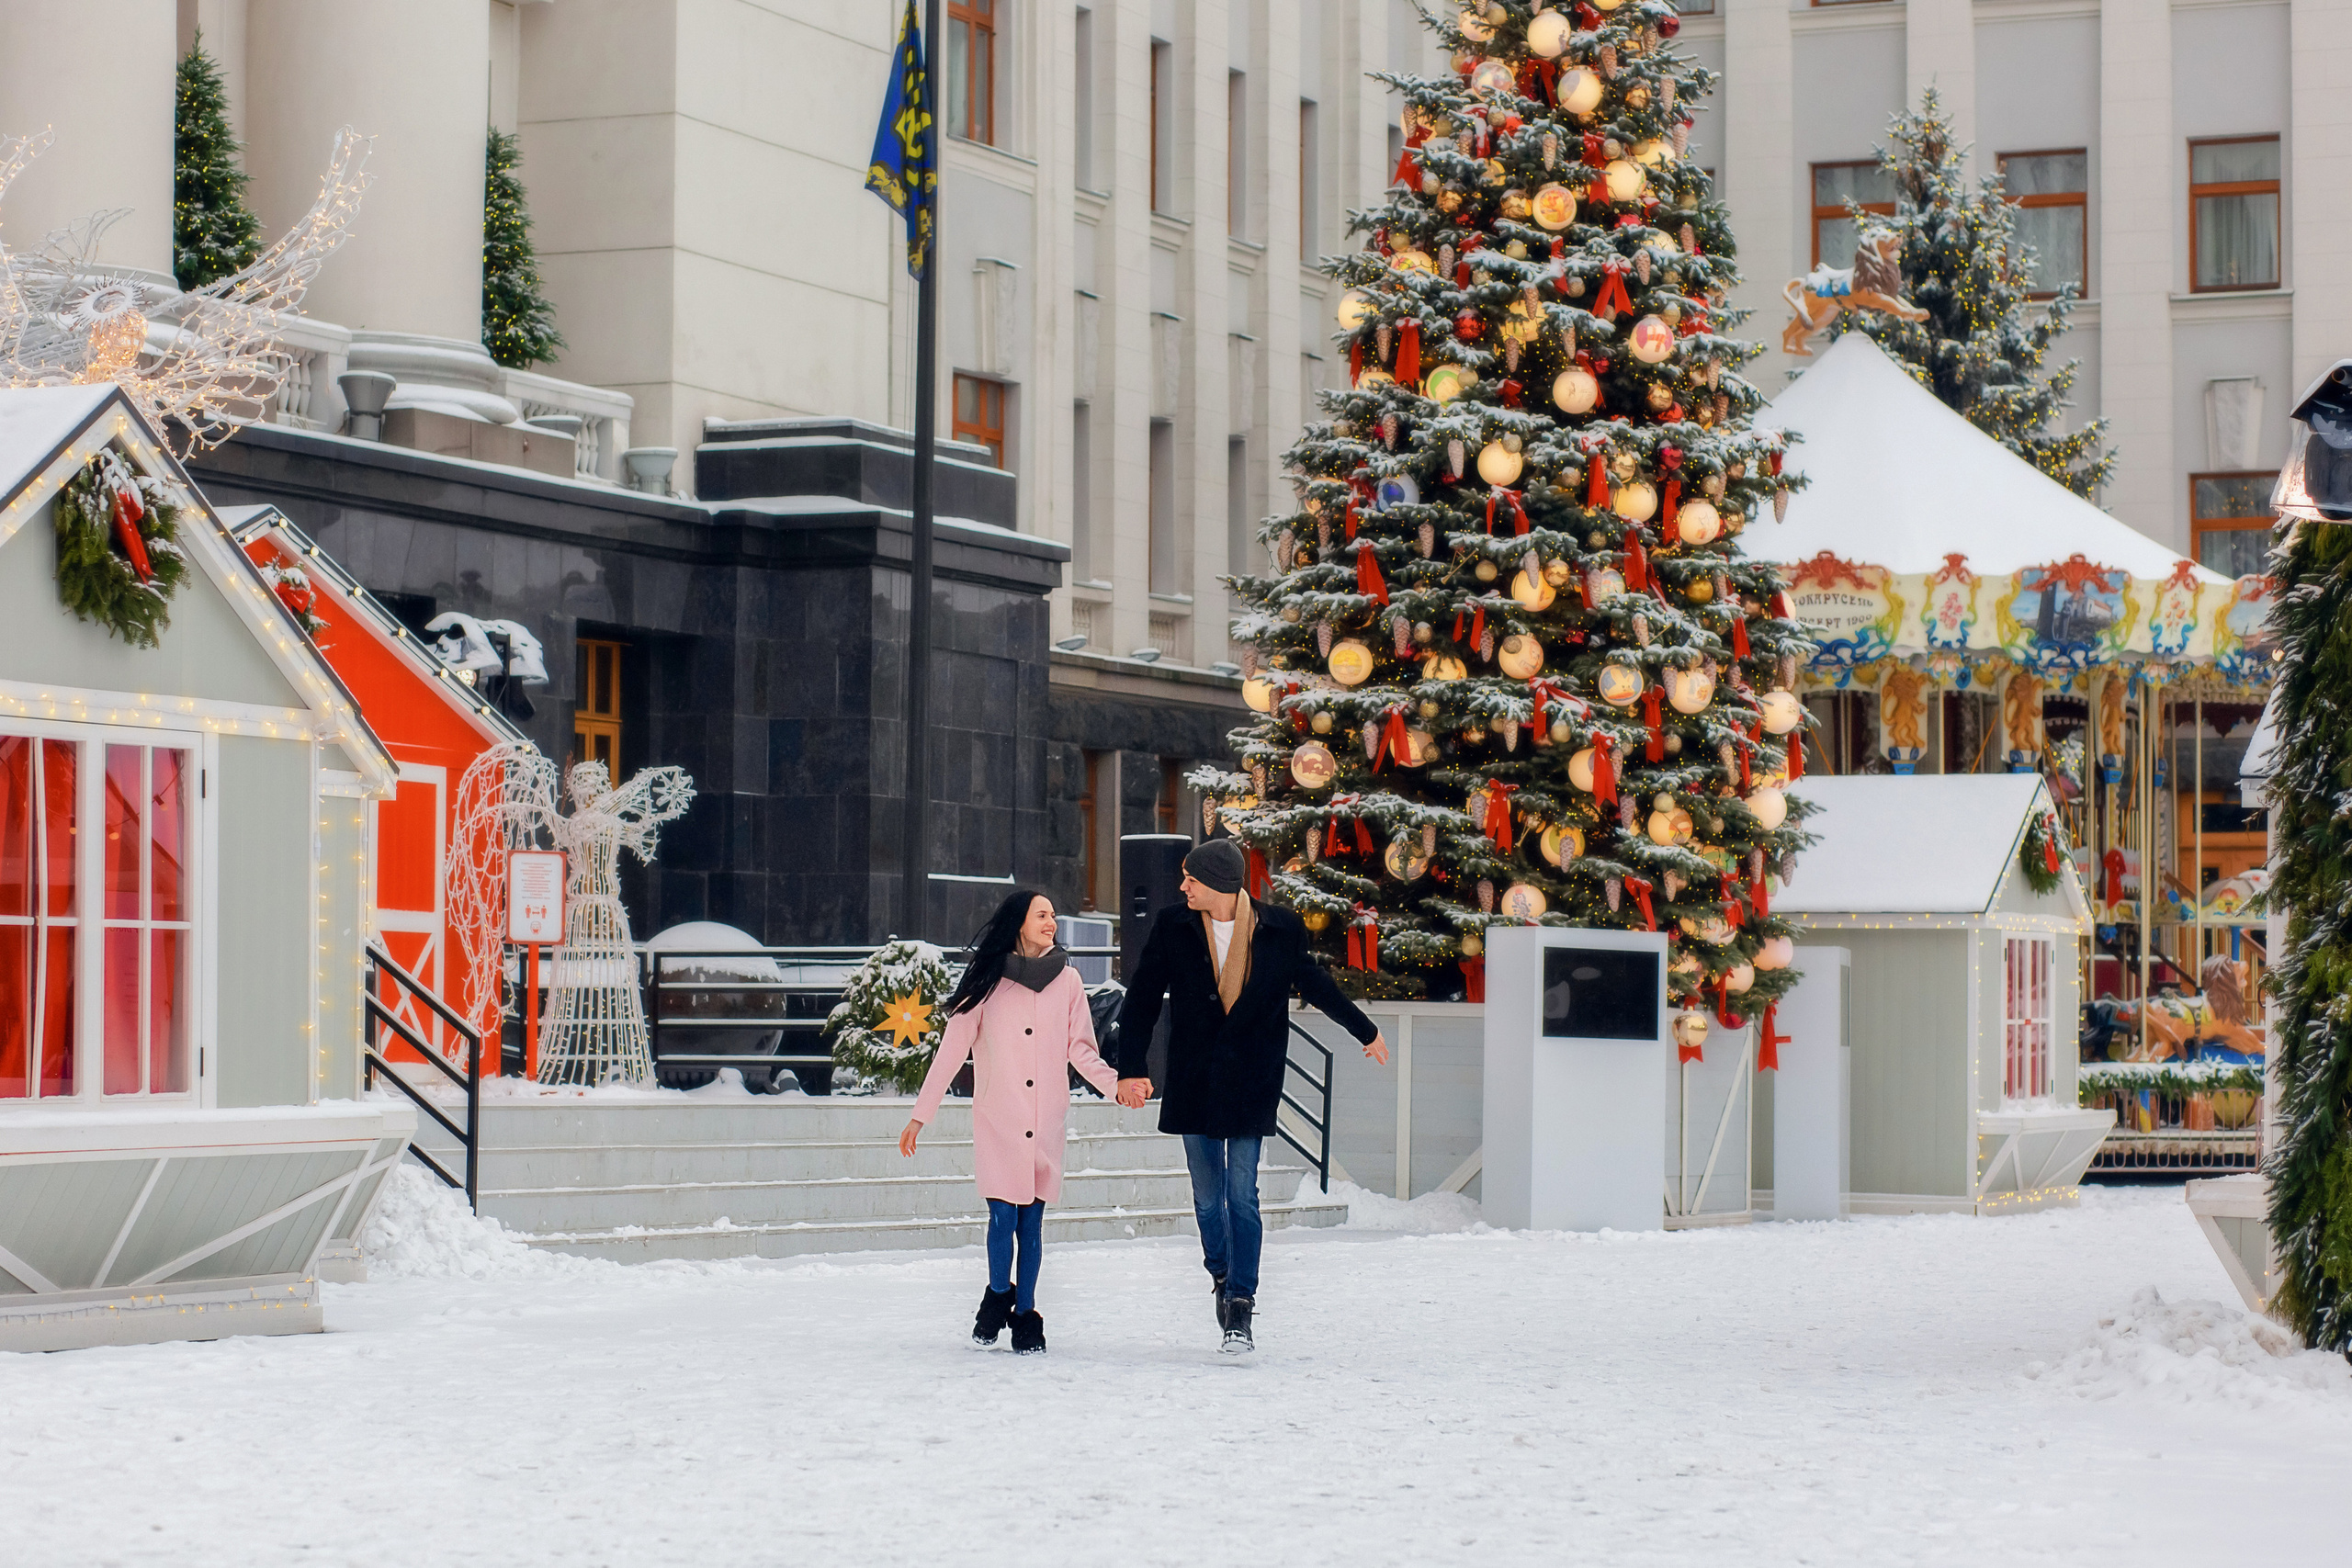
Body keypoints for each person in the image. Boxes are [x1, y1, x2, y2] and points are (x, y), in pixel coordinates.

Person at [1114, 839, 1387, 1353]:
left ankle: (1241, 1301)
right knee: (1206, 1198)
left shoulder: (1279, 928)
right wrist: (1130, 1070)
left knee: (1242, 1195)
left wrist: (1365, 1031)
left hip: (1250, 1078)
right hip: (1194, 1079)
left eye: (1191, 878)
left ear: (1217, 882)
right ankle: (1219, 1270)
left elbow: (1317, 985)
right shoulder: (1174, 925)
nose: (1182, 886)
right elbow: (1144, 1000)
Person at [901, 889, 1118, 1355]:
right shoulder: (986, 979)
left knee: (1032, 1224)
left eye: (1054, 916)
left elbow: (1081, 1049)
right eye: (1042, 915)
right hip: (999, 1118)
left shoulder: (1069, 980)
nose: (1052, 923)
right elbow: (951, 1050)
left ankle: (1026, 1315)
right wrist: (921, 1116)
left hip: (1045, 1120)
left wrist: (1115, 1085)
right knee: (1002, 1217)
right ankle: (999, 1294)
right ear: (1019, 921)